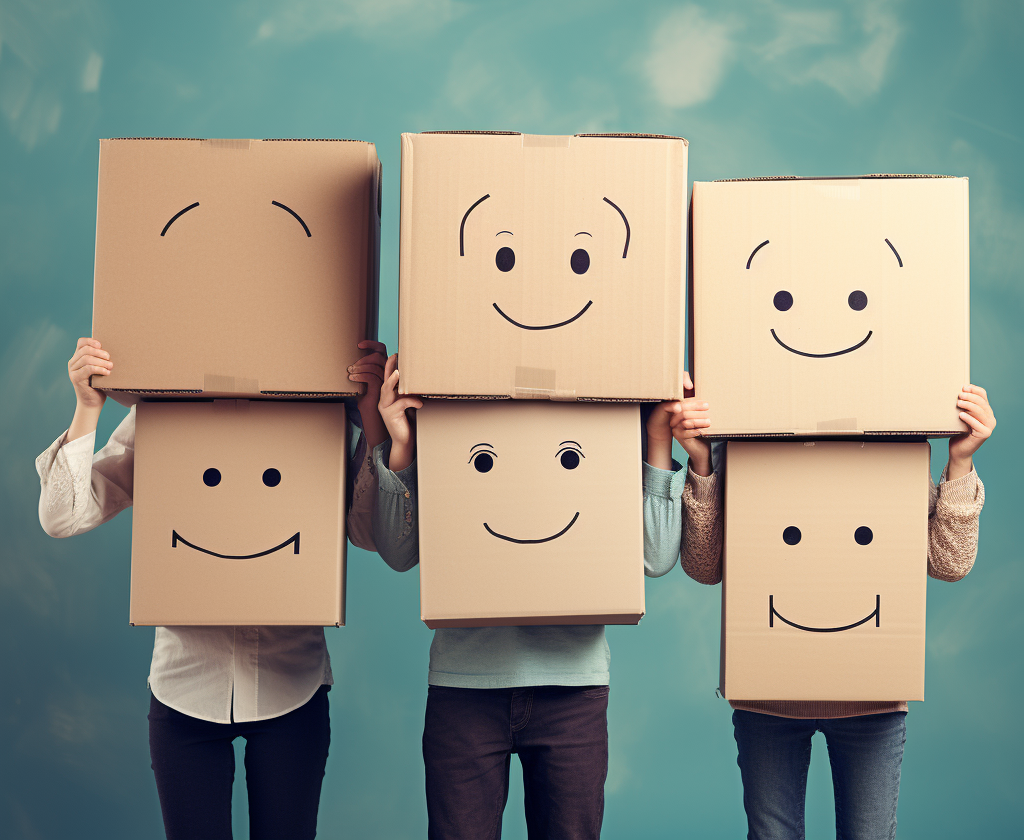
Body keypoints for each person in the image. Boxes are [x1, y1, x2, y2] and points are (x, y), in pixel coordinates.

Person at [35, 336, 390, 840]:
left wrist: (369, 421)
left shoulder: (322, 410)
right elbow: (61, 516)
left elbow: (372, 534)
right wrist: (87, 408)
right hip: (185, 690)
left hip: (293, 686)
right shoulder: (164, 413)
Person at [372, 353, 717, 840]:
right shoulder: (456, 386)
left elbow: (654, 558)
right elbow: (398, 551)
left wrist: (658, 438)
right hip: (464, 685)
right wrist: (403, 443)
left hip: (572, 688)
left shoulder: (604, 393)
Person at [644, 384, 996, 840]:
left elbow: (950, 563)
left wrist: (961, 461)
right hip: (768, 696)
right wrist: (703, 464)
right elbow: (704, 566)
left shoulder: (889, 440)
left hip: (872, 698)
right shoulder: (747, 436)